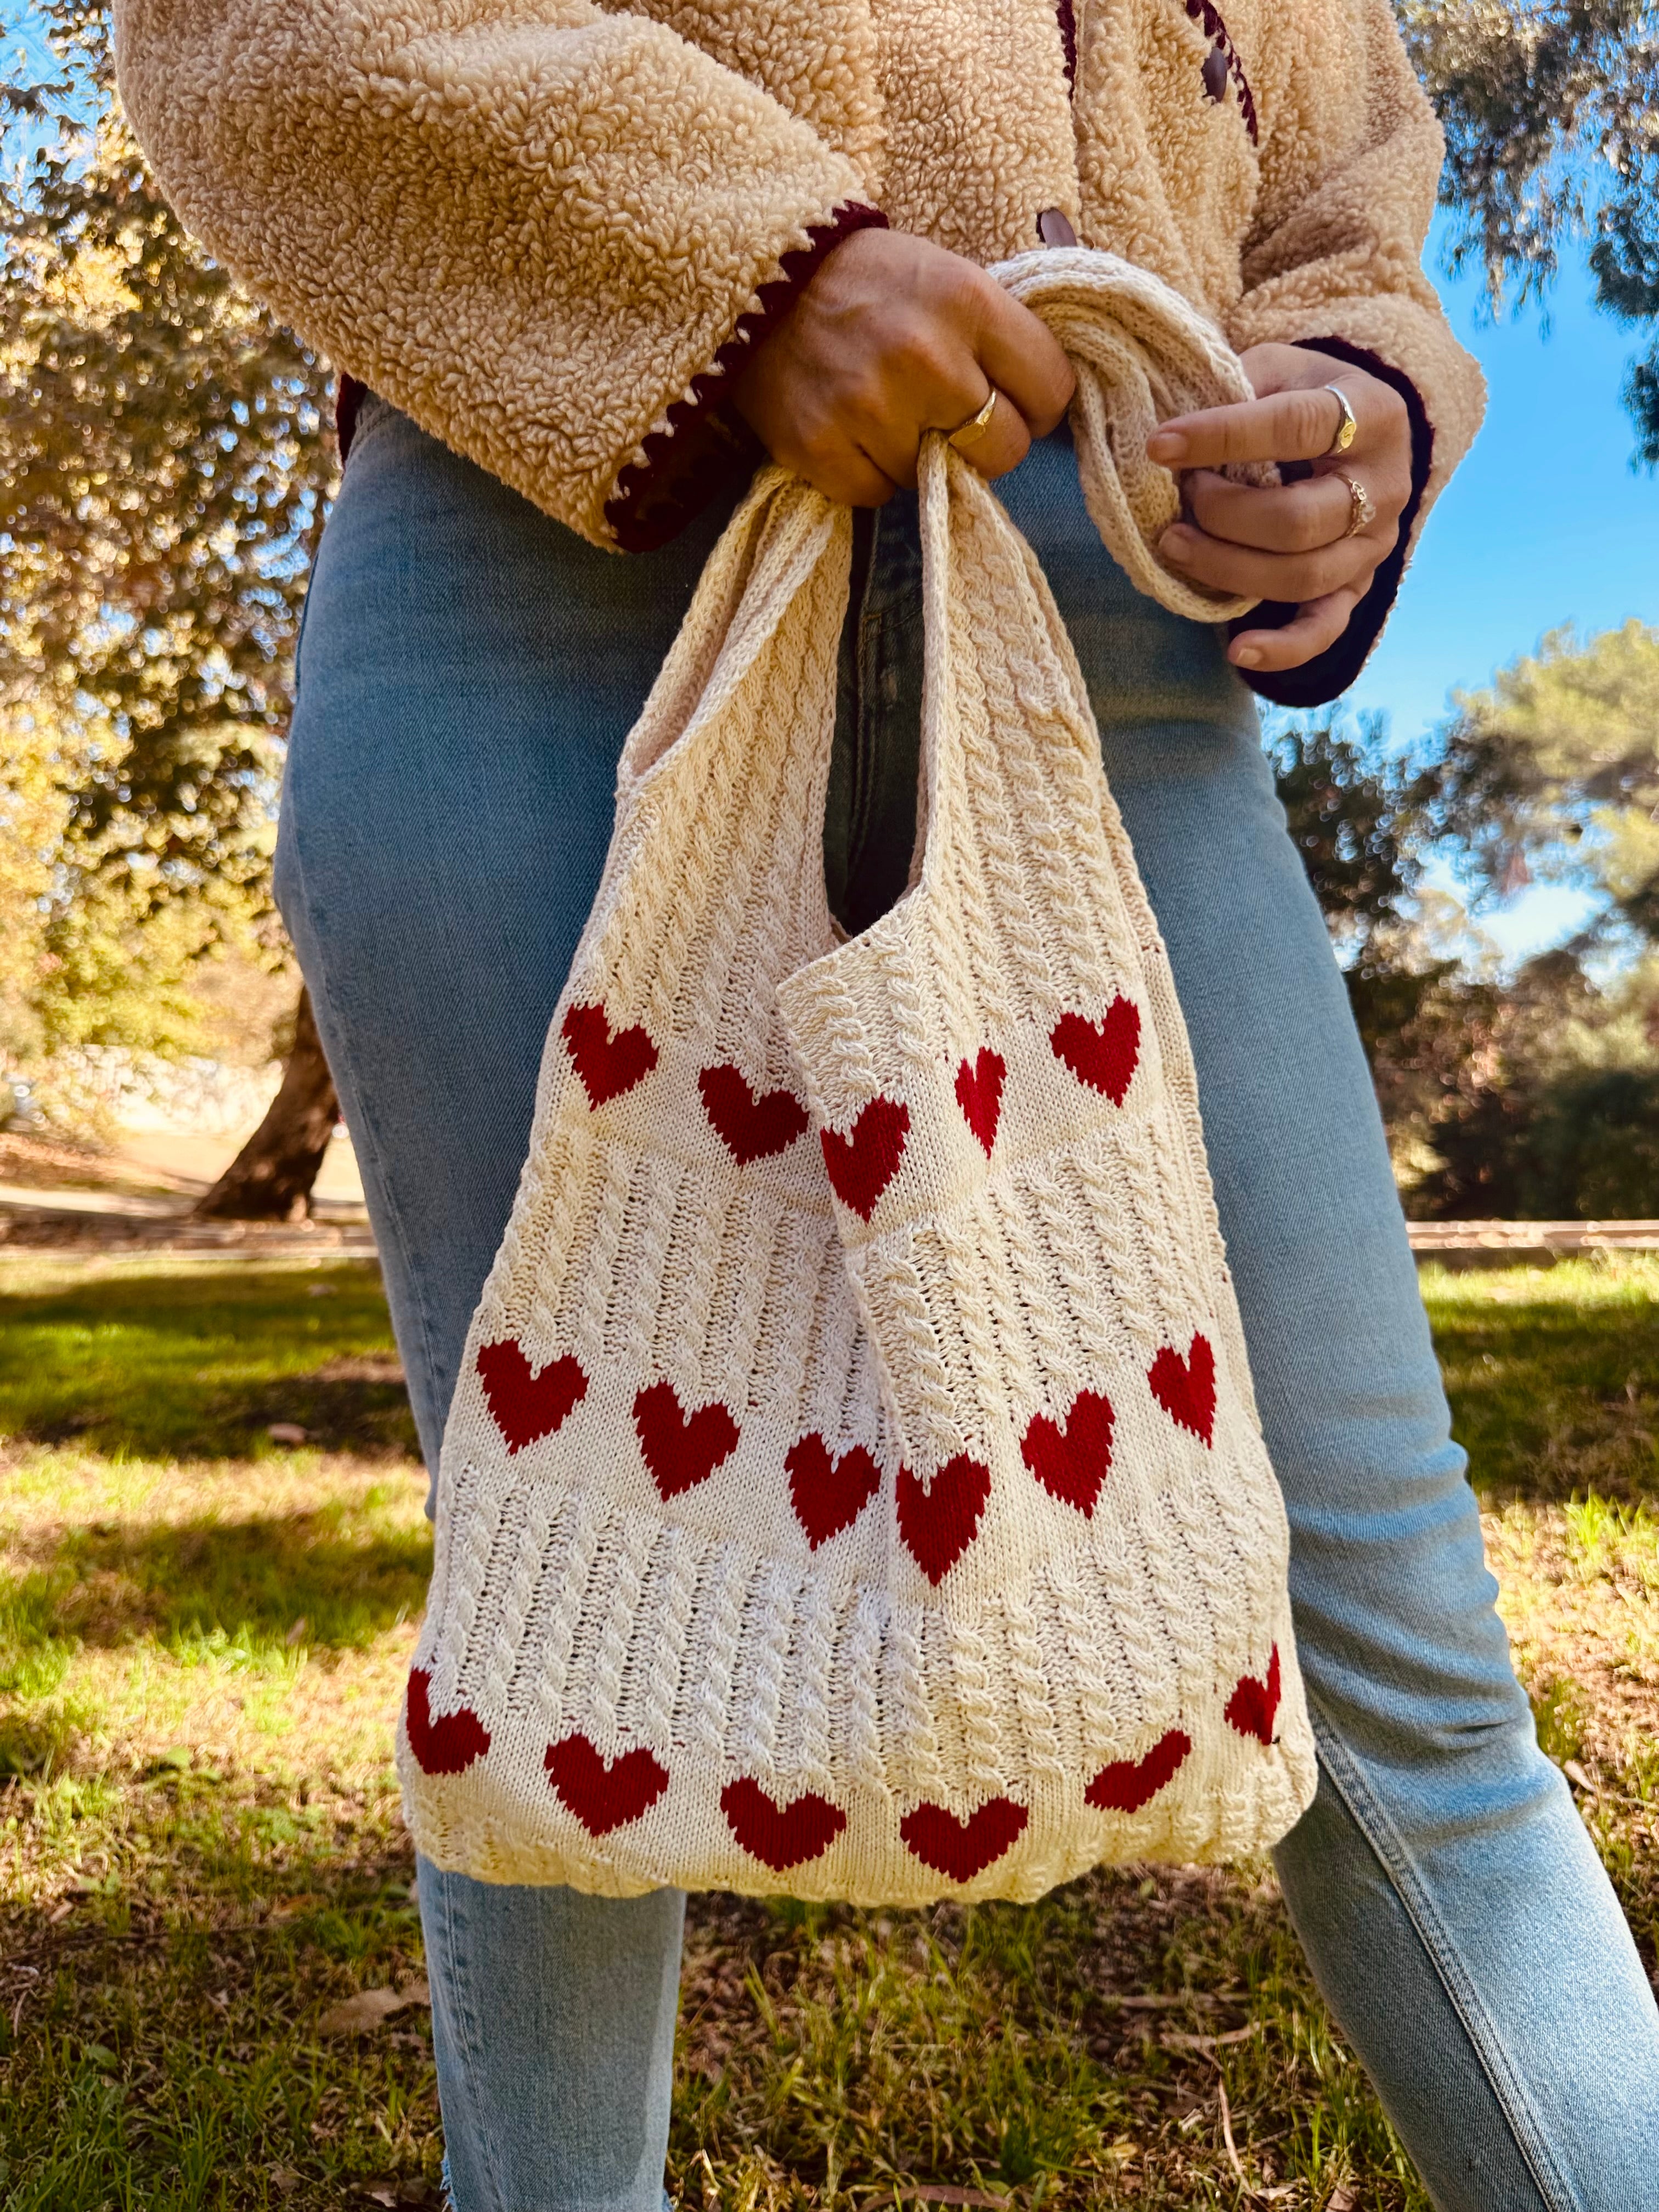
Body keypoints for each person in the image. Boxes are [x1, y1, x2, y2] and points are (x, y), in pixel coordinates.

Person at [114, 2, 1659, 2205]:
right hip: (551, 541)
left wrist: (1356, 391)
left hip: (1111, 610)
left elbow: (1343, 163)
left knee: (1392, 1633)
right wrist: (744, 267)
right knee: (576, 1594)